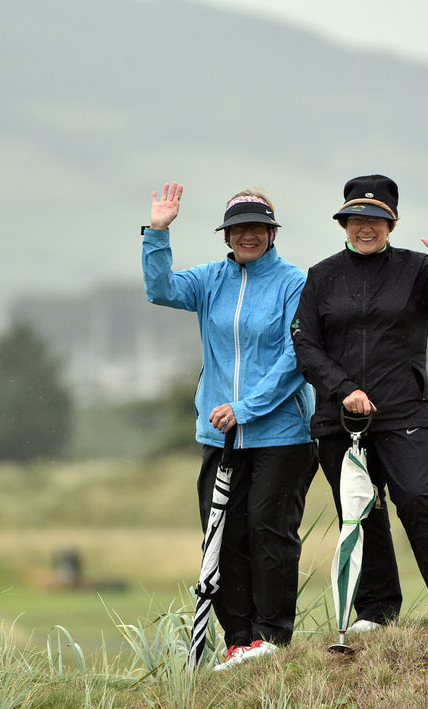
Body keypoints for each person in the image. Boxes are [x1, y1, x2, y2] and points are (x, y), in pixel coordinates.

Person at [291, 174, 428, 634]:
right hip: (339, 418)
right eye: (357, 218)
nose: (366, 226)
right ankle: (376, 610)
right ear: (343, 222)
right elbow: (305, 344)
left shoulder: (418, 269)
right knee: (361, 510)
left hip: (403, 412)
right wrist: (344, 389)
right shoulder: (322, 276)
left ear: (392, 223)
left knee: (418, 498)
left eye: (376, 219)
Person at [142, 182, 317, 670]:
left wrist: (247, 407)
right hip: (220, 435)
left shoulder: (293, 283)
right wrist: (158, 232)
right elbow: (160, 289)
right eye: (239, 229)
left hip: (283, 433)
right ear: (227, 235)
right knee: (222, 535)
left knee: (269, 530)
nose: (249, 236)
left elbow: (295, 356)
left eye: (258, 228)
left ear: (272, 231)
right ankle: (238, 639)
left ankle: (272, 636)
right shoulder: (210, 281)